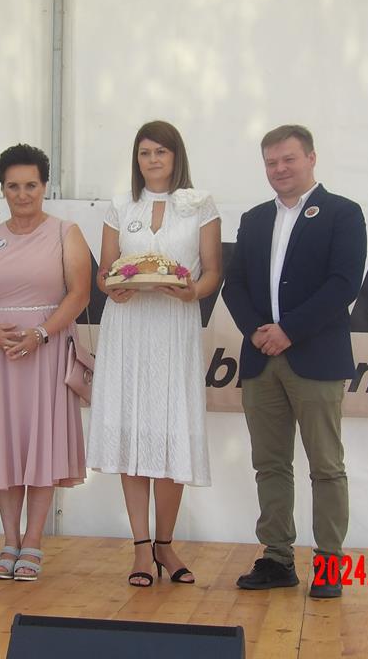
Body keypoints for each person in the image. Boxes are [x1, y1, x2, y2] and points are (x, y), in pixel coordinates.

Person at [221, 124, 366, 599]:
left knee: (326, 465)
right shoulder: (254, 218)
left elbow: (344, 284)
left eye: (288, 159)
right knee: (270, 464)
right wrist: (256, 331)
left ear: (311, 158)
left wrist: (290, 330)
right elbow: (234, 284)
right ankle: (277, 558)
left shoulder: (343, 213)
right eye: (271, 162)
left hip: (316, 357)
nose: (279, 169)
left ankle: (329, 564)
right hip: (261, 359)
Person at [87, 121, 222, 587]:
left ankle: (166, 544)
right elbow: (105, 272)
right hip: (128, 327)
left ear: (176, 156)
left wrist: (192, 292)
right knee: (132, 434)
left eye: (160, 152)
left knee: (170, 432)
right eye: (144, 153)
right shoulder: (120, 205)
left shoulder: (201, 205)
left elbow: (212, 272)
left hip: (173, 326)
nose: (152, 160)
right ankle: (141, 548)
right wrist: (111, 287)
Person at [0, 144, 90, 581]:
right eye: (13, 186)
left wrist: (41, 334)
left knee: (42, 446)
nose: (22, 194)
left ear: (44, 186)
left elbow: (79, 294)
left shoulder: (66, 233)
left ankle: (33, 542)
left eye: (31, 185)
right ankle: (9, 540)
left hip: (46, 352)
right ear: (2, 189)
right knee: (5, 447)